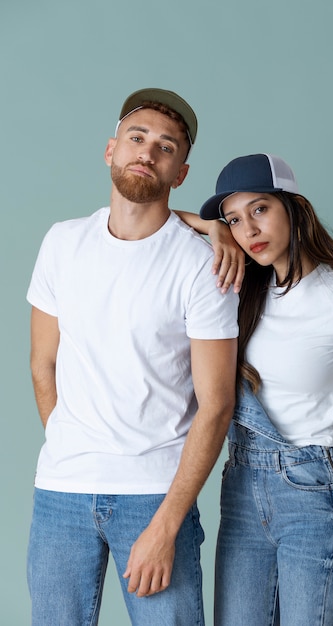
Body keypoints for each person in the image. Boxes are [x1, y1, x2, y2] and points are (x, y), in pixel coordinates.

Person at [26, 87, 240, 626]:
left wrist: (168, 523)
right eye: (136, 138)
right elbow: (42, 364)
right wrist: (74, 445)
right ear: (111, 150)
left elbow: (216, 406)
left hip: (153, 495)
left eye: (165, 147)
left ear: (180, 173)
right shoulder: (61, 243)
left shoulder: (203, 265)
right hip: (60, 493)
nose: (147, 152)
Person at [181, 153, 333, 625]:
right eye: (235, 219)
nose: (249, 230)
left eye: (260, 209)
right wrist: (213, 230)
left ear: (294, 207)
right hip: (242, 488)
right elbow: (157, 217)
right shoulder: (241, 286)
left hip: (312, 493)